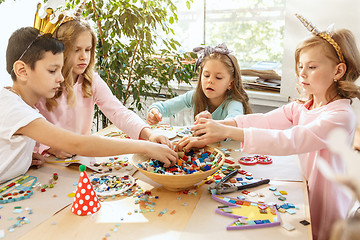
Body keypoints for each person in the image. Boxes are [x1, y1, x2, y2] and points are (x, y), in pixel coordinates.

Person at [176, 18, 360, 240]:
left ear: (338, 71)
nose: (302, 73)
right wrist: (216, 125)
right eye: (300, 66)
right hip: (305, 187)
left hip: (328, 200)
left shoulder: (341, 116)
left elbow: (291, 140)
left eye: (311, 67)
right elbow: (265, 120)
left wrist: (225, 131)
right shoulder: (304, 105)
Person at [0, 27, 177, 183]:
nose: (60, 78)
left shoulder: (20, 101)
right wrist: (146, 146)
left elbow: (118, 112)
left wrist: (22, 159)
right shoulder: (18, 106)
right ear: (22, 71)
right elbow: (78, 144)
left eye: (88, 49)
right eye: (53, 70)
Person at [35, 17, 171, 159]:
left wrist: (150, 135)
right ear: (60, 51)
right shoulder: (44, 84)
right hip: (49, 162)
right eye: (77, 50)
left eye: (88, 50)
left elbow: (119, 113)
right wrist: (50, 147)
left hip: (80, 159)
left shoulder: (91, 81)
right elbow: (28, 126)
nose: (84, 57)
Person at [146, 43, 251, 126]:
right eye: (206, 75)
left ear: (230, 83)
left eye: (218, 77)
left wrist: (212, 124)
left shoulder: (234, 102)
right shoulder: (194, 96)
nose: (210, 81)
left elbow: (234, 122)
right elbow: (165, 107)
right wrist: (154, 111)